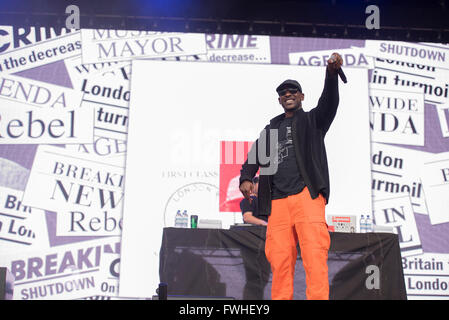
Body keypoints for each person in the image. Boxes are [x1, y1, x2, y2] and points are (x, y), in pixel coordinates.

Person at [239, 53, 343, 300]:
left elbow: (329, 102)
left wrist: (331, 75)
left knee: (314, 258)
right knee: (280, 263)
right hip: (277, 203)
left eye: (293, 91)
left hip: (307, 196)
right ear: (279, 99)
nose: (288, 94)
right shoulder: (272, 127)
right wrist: (245, 177)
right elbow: (255, 156)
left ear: (301, 96)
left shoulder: (313, 120)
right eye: (284, 92)